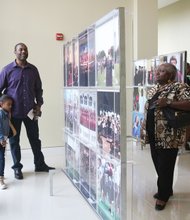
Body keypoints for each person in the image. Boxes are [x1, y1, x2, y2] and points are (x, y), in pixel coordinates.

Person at [0, 43, 55, 180]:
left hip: (31, 112)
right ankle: (17, 168)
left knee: (35, 139)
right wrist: (3, 109)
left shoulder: (33, 70)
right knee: (14, 142)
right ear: (15, 52)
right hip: (13, 114)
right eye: (20, 49)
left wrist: (39, 104)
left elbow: (38, 89)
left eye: (25, 49)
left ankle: (40, 164)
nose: (23, 51)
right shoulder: (7, 70)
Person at [141, 63, 190, 211]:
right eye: (157, 71)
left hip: (169, 135)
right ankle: (167, 189)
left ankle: (163, 196)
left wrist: (168, 102)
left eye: (161, 71)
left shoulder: (180, 87)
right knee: (158, 163)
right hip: (153, 133)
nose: (157, 73)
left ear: (170, 75)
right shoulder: (154, 89)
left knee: (165, 166)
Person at [0, 95, 16, 189]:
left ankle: (1, 175)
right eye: (8, 104)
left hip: (4, 139)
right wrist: (1, 139)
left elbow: (8, 125)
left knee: (2, 157)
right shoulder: (1, 114)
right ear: (1, 104)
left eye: (11, 105)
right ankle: (1, 179)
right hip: (1, 139)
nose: (10, 106)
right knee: (1, 158)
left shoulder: (6, 114)